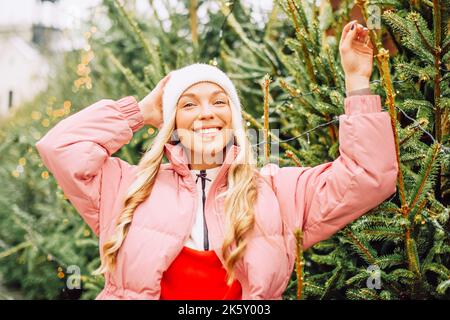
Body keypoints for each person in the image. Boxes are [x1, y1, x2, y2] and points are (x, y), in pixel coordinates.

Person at [35, 21, 398, 300]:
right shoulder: (125, 189)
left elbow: (367, 177)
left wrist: (358, 83)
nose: (206, 113)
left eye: (219, 102)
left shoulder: (278, 191)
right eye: (189, 104)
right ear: (172, 121)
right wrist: (142, 111)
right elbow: (60, 148)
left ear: (235, 118)